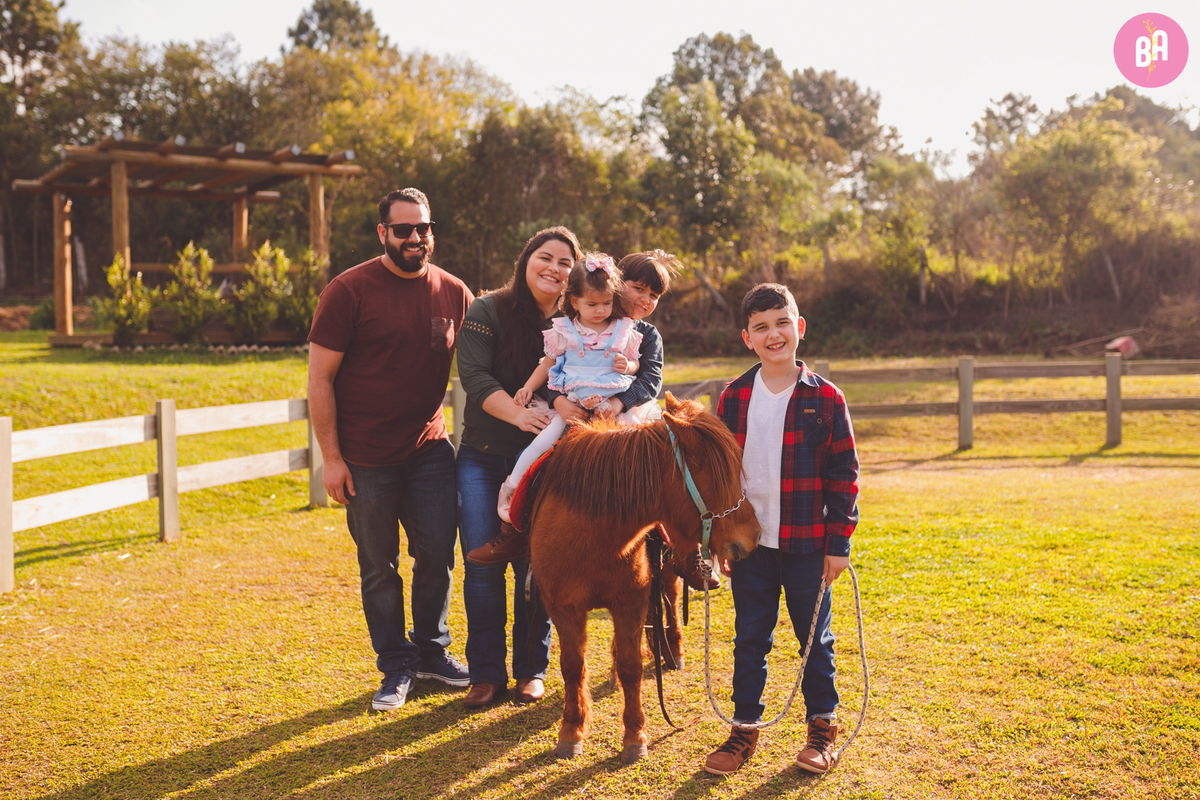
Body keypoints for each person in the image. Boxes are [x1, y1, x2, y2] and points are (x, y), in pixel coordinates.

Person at [307, 188, 472, 712]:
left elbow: (492, 357)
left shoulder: (453, 292)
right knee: (379, 566)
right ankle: (396, 665)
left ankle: (432, 653)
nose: (415, 238)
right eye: (403, 229)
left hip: (429, 451)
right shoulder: (348, 291)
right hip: (365, 459)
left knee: (438, 559)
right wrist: (332, 459)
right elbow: (319, 380)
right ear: (383, 233)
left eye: (422, 228)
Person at [703, 283, 860, 776]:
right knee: (750, 637)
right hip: (751, 545)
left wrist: (838, 546)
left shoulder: (827, 399)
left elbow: (844, 476)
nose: (774, 334)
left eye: (782, 323)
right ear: (746, 337)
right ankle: (743, 730)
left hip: (808, 544)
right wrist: (722, 538)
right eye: (762, 327)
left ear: (800, 328)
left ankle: (822, 729)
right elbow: (720, 478)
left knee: (815, 638)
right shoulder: (733, 398)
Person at [454, 226, 582, 708]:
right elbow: (474, 375)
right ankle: (486, 673)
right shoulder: (488, 310)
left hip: (551, 461)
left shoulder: (578, 319)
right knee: (484, 565)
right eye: (544, 257)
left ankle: (531, 668)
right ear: (525, 260)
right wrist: (521, 414)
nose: (554, 268)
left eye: (565, 262)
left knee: (537, 566)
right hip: (485, 458)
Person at [484, 251, 646, 528]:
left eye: (607, 303)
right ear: (574, 301)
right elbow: (547, 364)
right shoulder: (565, 330)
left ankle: (637, 504)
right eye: (592, 304)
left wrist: (627, 365)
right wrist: (527, 387)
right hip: (573, 402)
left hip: (610, 404)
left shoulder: (622, 330)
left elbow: (636, 366)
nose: (600, 310)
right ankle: (513, 486)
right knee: (545, 441)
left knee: (631, 450)